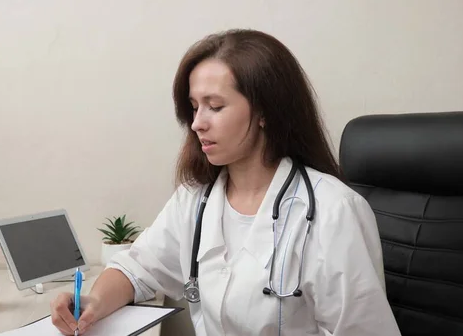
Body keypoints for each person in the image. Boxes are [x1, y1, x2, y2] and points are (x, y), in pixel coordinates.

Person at [50, 28, 402, 336]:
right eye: (194, 107)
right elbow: (137, 269)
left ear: (265, 112)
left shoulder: (332, 211)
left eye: (214, 107)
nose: (197, 123)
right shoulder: (196, 200)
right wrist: (92, 300)